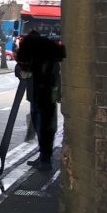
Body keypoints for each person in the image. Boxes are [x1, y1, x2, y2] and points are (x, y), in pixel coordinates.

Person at [14, 30, 66, 170]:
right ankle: (43, 157)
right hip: (35, 97)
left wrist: (58, 94)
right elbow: (19, 67)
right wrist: (22, 72)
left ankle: (45, 160)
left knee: (45, 128)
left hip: (47, 97)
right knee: (38, 127)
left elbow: (56, 75)